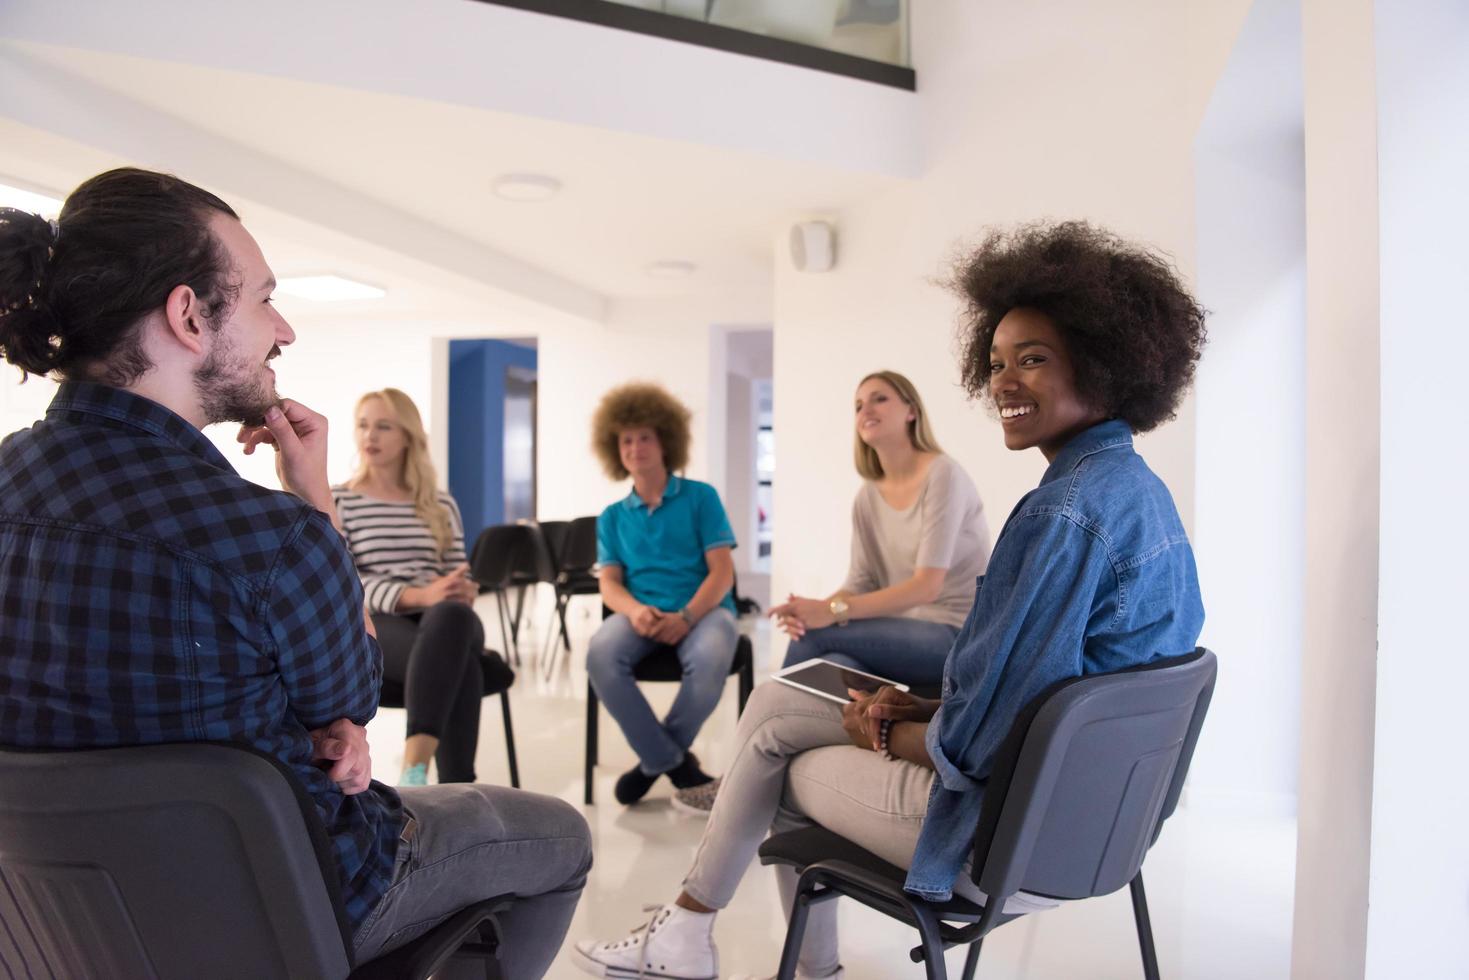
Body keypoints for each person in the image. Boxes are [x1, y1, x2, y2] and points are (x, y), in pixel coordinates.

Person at [572, 220, 1207, 980]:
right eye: (996, 362)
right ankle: (697, 936)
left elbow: (977, 745)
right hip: (1103, 830)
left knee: (778, 752)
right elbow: (1043, 697)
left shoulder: (1058, 515)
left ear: (1105, 364)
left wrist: (874, 732)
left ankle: (718, 945)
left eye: (1032, 360)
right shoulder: (1140, 496)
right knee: (785, 703)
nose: (1003, 381)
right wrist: (920, 709)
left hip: (1001, 839)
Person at [0, 169, 590, 977]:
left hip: (61, 921)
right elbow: (348, 698)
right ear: (187, 316)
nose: (283, 330)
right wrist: (315, 502)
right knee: (559, 836)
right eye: (263, 299)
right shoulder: (268, 535)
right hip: (286, 898)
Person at [770, 370, 990, 689]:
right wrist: (812, 611)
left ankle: (765, 729)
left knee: (815, 637)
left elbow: (925, 587)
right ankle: (795, 732)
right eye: (858, 405)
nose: (866, 410)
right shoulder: (867, 497)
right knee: (835, 665)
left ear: (911, 411)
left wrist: (830, 612)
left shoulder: (943, 475)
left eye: (879, 399)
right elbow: (861, 581)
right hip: (903, 630)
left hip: (956, 634)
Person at [333, 388, 508, 787]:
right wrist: (418, 595)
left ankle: (415, 773)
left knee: (450, 619)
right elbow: (346, 582)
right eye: (363, 426)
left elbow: (455, 571)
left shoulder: (440, 504)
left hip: (447, 618)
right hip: (379, 620)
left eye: (383, 426)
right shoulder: (341, 500)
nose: (369, 436)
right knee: (461, 666)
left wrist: (461, 589)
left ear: (408, 435)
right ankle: (456, 785)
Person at [587, 381, 739, 814]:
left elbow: (722, 573)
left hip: (704, 611)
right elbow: (610, 583)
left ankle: (653, 762)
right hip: (642, 614)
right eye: (626, 440)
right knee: (600, 653)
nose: (635, 447)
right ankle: (673, 763)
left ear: (665, 442)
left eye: (645, 437)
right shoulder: (613, 517)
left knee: (710, 659)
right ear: (615, 449)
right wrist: (634, 611)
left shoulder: (700, 498)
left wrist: (687, 617)